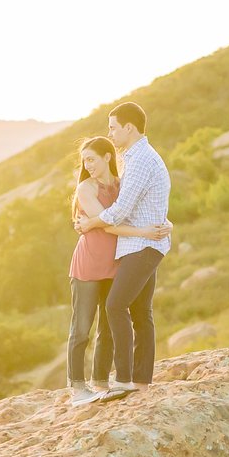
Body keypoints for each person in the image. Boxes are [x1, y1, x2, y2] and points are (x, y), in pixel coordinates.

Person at [77, 100, 170, 401]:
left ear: (129, 128)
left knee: (115, 306)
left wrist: (88, 223)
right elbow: (150, 204)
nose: (111, 134)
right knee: (142, 312)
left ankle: (126, 379)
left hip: (142, 246)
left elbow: (119, 211)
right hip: (143, 243)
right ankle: (141, 383)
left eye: (113, 128)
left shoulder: (141, 159)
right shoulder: (136, 157)